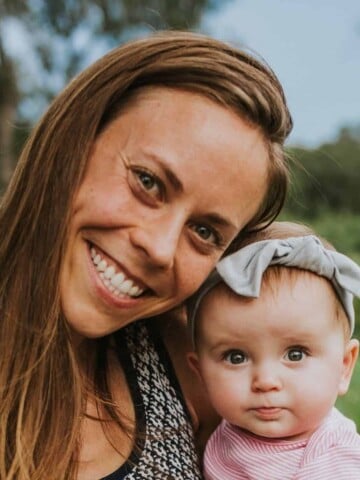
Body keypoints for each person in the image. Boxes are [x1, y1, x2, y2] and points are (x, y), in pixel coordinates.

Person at [0, 31, 292, 480]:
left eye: (204, 231)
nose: (159, 248)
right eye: (148, 182)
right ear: (74, 140)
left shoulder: (194, 370)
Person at [187, 221, 360, 479]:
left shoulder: (336, 459)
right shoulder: (222, 435)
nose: (265, 381)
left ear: (344, 366)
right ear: (201, 373)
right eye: (236, 357)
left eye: (295, 354)